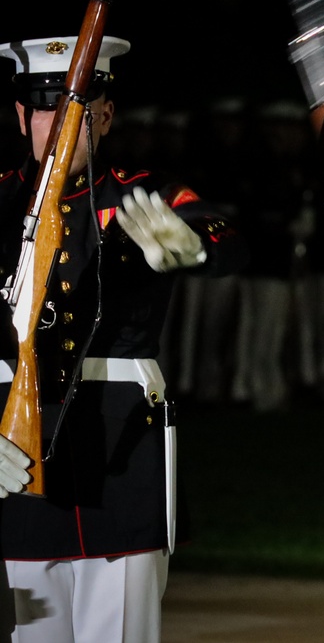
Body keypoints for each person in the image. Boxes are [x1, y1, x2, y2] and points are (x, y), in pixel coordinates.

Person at [0, 34, 247, 642]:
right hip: (15, 446)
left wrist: (195, 249)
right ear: (20, 116)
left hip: (122, 446)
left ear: (105, 116)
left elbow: (225, 240)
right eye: (43, 107)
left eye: (77, 109)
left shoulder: (142, 193)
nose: (57, 124)